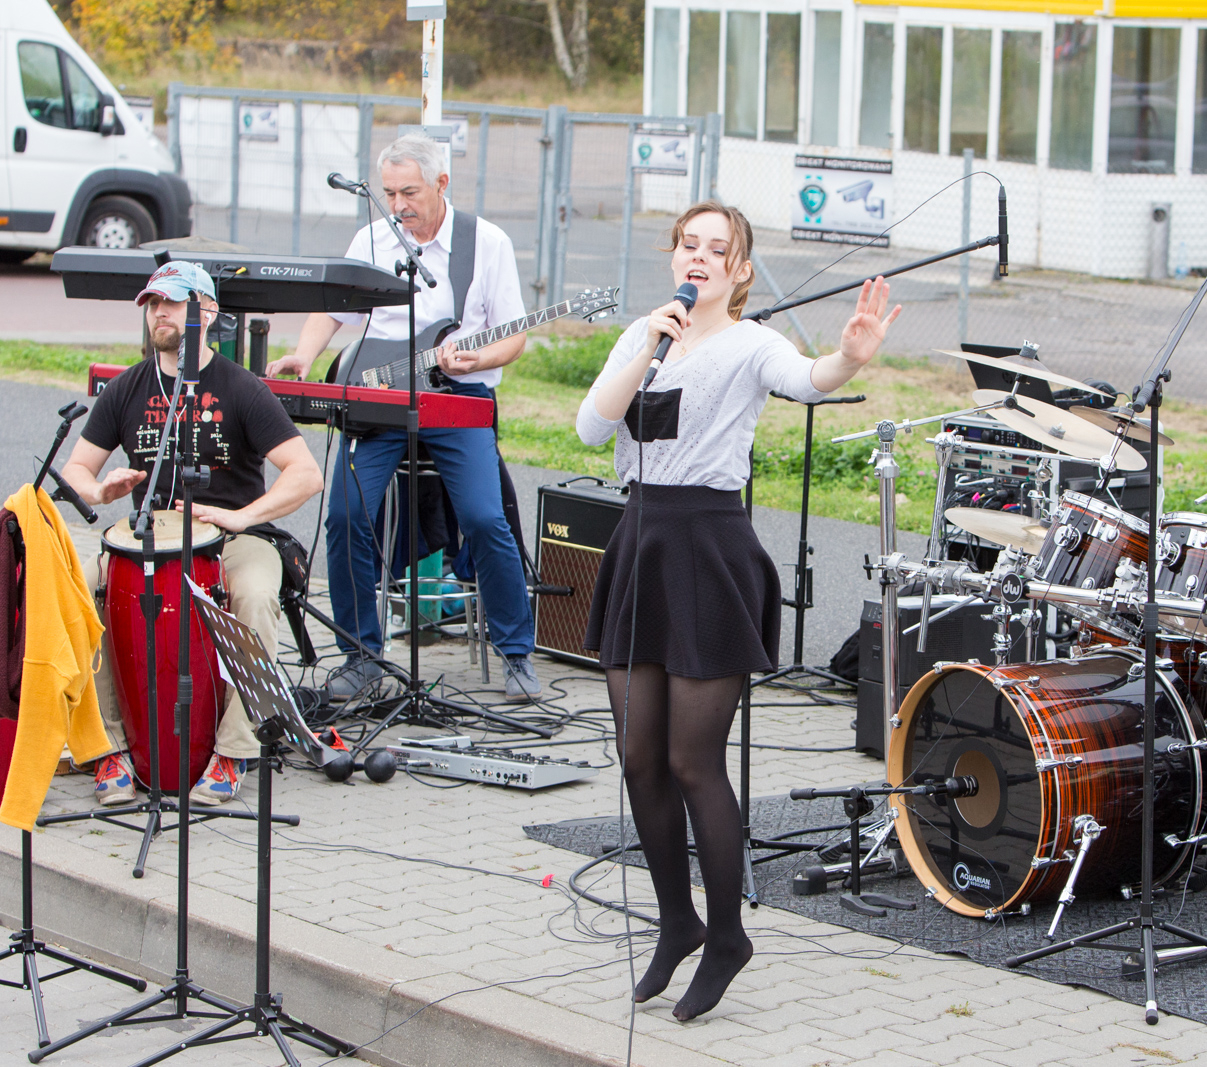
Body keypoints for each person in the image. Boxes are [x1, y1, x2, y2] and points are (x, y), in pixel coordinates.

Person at [576, 201, 900, 1021]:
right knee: (638, 757)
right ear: (674, 255)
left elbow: (809, 379)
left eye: (719, 250)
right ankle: (676, 921)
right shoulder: (642, 336)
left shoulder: (752, 344)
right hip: (640, 539)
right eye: (690, 245)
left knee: (693, 760)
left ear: (742, 269)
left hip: (707, 548)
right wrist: (647, 343)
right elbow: (589, 427)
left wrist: (849, 359)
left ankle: (727, 933)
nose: (702, 259)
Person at [267, 134, 542, 703]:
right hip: (377, 398)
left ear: (442, 185)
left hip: (456, 396)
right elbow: (332, 308)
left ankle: (517, 654)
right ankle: (360, 655)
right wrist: (306, 356)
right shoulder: (369, 239)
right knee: (344, 514)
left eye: (409, 192)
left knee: (485, 519)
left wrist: (477, 357)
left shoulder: (485, 242)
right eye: (389, 193)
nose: (398, 205)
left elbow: (513, 336)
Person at [62, 261, 324, 806]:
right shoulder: (128, 387)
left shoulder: (241, 388)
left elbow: (306, 474)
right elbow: (76, 471)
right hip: (148, 538)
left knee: (253, 595)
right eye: (153, 304)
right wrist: (101, 491)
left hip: (233, 535)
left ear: (207, 313)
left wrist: (243, 516)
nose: (160, 313)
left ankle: (234, 750)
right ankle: (107, 744)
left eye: (173, 303)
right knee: (82, 591)